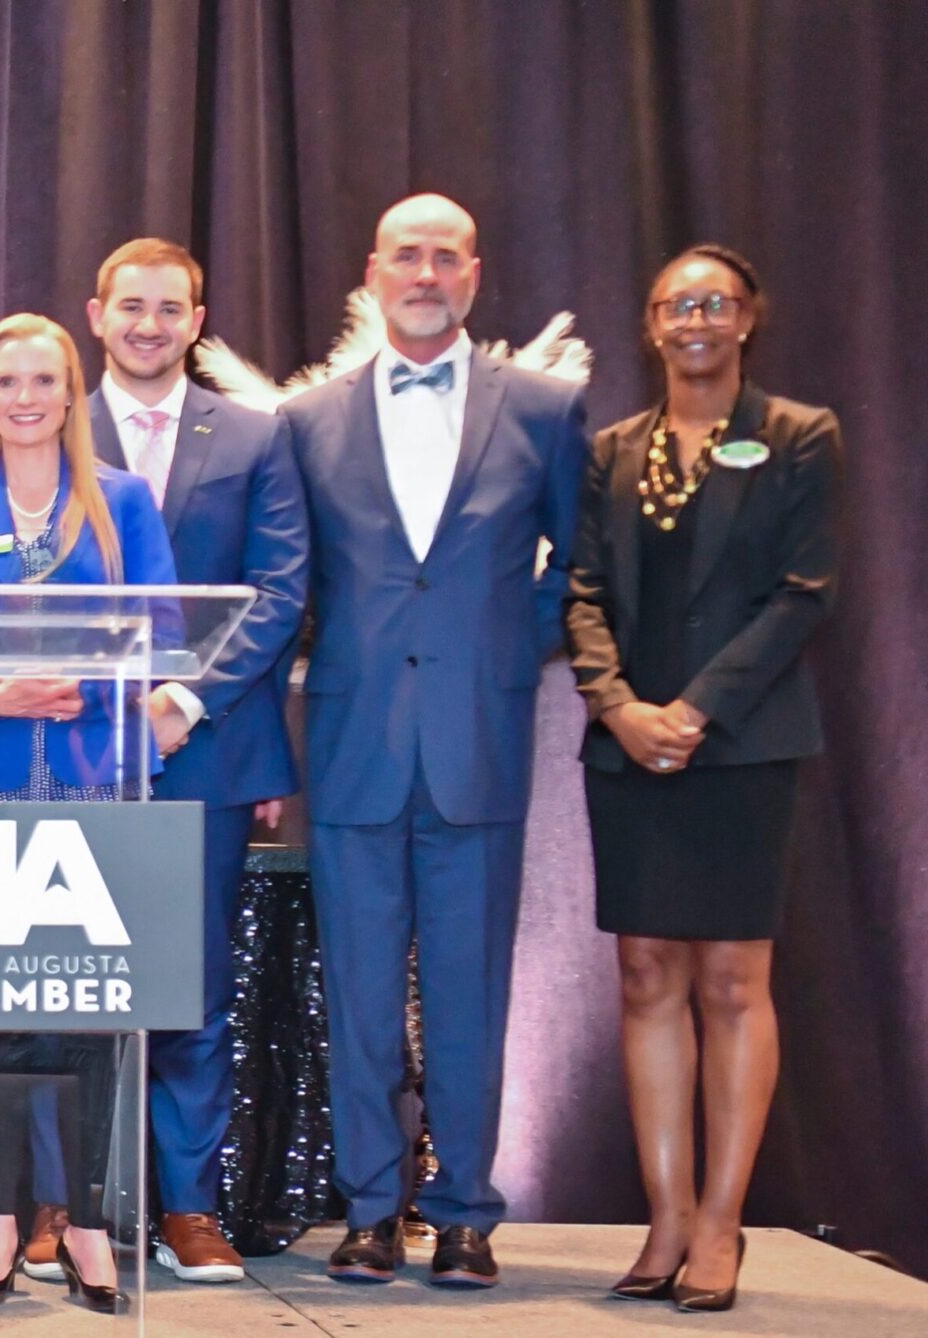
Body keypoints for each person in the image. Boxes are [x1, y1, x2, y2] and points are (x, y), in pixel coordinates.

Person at [277, 194, 587, 1289]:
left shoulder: (547, 409)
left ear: (472, 272)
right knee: (358, 995)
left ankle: (463, 1212)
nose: (422, 272)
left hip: (477, 740)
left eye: (442, 256)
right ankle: (369, 1209)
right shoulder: (307, 420)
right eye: (403, 255)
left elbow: (578, 568)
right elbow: (289, 584)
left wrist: (510, 643)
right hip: (356, 739)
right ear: (372, 270)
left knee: (469, 993)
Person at [566, 245, 839, 1314]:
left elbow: (801, 593)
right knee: (643, 976)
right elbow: (581, 593)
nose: (694, 319)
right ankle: (665, 1217)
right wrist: (620, 706)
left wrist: (693, 709)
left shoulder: (796, 436)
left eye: (713, 302)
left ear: (746, 320)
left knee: (730, 982)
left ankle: (721, 1226)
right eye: (676, 303)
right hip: (626, 744)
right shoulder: (611, 451)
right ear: (648, 322)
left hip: (743, 743)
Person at [0, 313, 178, 1315]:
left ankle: (91, 1232)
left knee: (93, 1023)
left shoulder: (120, 502)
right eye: (5, 380)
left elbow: (158, 626)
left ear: (71, 394)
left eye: (43, 379)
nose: (24, 397)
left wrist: (85, 683)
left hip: (90, 781)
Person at [84, 238, 309, 1284]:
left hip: (203, 748)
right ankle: (64, 1208)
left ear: (195, 319)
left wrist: (180, 700)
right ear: (95, 314)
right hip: (65, 748)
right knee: (59, 981)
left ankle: (187, 1207)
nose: (147, 324)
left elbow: (276, 589)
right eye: (130, 305)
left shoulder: (257, 437)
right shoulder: (41, 422)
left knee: (190, 982)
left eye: (168, 308)